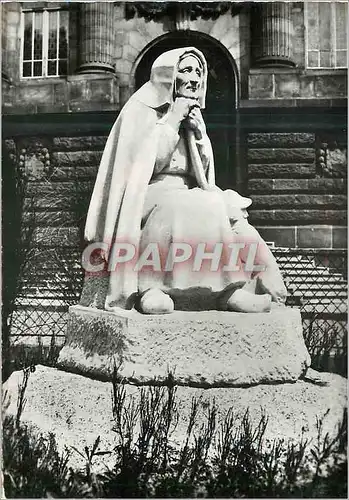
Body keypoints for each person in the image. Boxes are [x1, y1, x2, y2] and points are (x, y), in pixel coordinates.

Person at [80, 47, 287, 314]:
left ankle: (226, 291)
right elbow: (146, 165)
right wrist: (174, 119)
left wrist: (199, 133)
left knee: (212, 201)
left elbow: (204, 173)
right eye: (186, 70)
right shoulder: (141, 108)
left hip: (185, 190)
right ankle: (152, 289)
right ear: (168, 75)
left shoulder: (193, 114)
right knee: (177, 205)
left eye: (198, 72)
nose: (194, 78)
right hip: (145, 192)